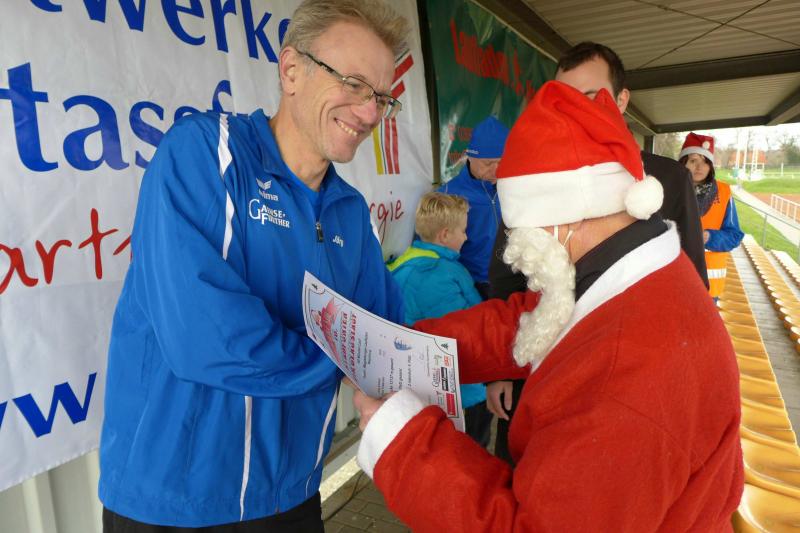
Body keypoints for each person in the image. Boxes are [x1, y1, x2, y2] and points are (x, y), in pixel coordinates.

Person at [351, 81, 743, 531]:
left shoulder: (628, 378)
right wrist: (402, 347)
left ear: (566, 217)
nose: (515, 252)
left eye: (522, 230)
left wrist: (401, 439)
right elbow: (527, 320)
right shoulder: (630, 274)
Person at [98, 1, 407, 530]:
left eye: (380, 97)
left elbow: (383, 337)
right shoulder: (204, 154)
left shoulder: (350, 212)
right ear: (291, 70)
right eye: (354, 84)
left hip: (289, 497)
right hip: (174, 504)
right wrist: (336, 360)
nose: (369, 113)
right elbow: (204, 337)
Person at [487, 41, 709, 464]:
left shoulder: (666, 178)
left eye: (589, 97)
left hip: (631, 383)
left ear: (621, 100)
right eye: (563, 98)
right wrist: (499, 369)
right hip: (540, 365)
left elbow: (691, 279)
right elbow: (506, 275)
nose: (573, 110)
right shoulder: (534, 171)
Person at [387, 192, 491, 447]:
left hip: (426, 385)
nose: (466, 237)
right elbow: (462, 332)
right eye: (463, 231)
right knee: (471, 450)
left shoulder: (409, 261)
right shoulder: (437, 275)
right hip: (462, 389)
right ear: (444, 235)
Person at [439, 116, 510, 299]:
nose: (496, 170)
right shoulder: (447, 195)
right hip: (471, 288)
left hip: (513, 282)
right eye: (488, 163)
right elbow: (434, 254)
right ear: (470, 156)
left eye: (501, 162)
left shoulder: (514, 188)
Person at [679, 132, 744, 301]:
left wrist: (709, 237)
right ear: (683, 163)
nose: (699, 167)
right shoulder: (668, 190)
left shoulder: (724, 193)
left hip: (708, 285)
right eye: (693, 161)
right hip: (675, 278)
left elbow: (734, 236)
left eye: (705, 162)